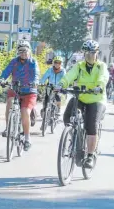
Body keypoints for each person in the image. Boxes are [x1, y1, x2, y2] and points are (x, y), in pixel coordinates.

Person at [58, 40, 109, 169]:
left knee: (91, 125)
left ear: (97, 53)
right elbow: (70, 75)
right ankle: (76, 138)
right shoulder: (79, 66)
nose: (89, 55)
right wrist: (62, 84)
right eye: (87, 52)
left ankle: (90, 156)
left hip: (96, 98)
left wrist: (99, 86)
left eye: (92, 53)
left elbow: (103, 77)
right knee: (67, 116)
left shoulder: (101, 66)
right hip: (81, 96)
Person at [0, 40, 40, 151]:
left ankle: (27, 139)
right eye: (21, 51)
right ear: (18, 52)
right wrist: (2, 79)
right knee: (10, 102)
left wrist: (35, 81)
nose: (23, 53)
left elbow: (36, 74)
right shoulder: (14, 62)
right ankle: (8, 128)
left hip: (29, 91)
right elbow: (6, 71)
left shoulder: (33, 62)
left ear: (29, 51)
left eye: (25, 51)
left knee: (25, 112)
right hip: (15, 88)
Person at [39, 55, 66, 126]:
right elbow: (44, 77)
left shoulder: (63, 71)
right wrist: (41, 82)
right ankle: (45, 110)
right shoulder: (50, 70)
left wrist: (63, 86)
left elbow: (65, 79)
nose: (57, 64)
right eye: (56, 62)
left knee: (58, 97)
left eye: (59, 63)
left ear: (61, 64)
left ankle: (58, 109)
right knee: (46, 99)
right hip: (50, 86)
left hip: (58, 87)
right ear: (53, 63)